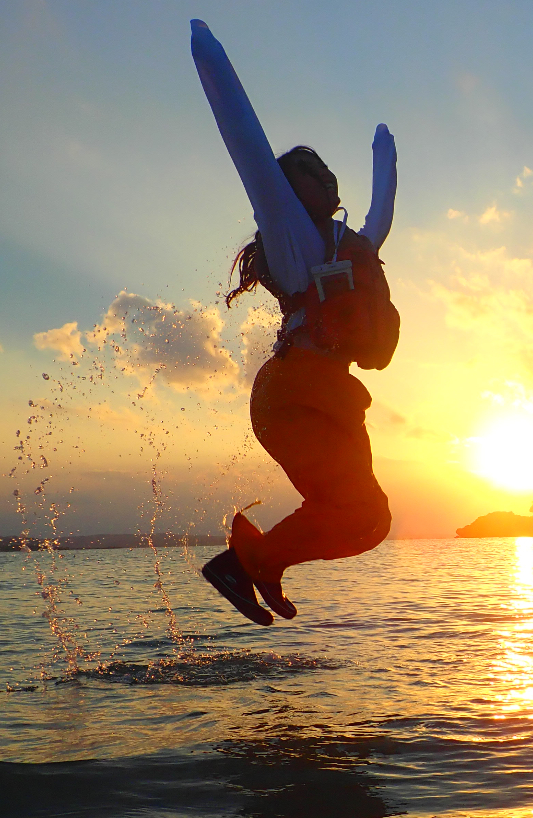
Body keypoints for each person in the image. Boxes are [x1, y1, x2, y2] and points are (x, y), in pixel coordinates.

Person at [190, 19, 399, 625]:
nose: (323, 174)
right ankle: (246, 563)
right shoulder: (287, 237)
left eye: (326, 168)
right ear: (286, 187)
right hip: (295, 392)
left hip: (324, 393)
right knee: (357, 507)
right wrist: (210, 56)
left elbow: (381, 213)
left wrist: (385, 155)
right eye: (306, 168)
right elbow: (250, 151)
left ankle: (261, 562)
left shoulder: (351, 243)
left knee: (370, 517)